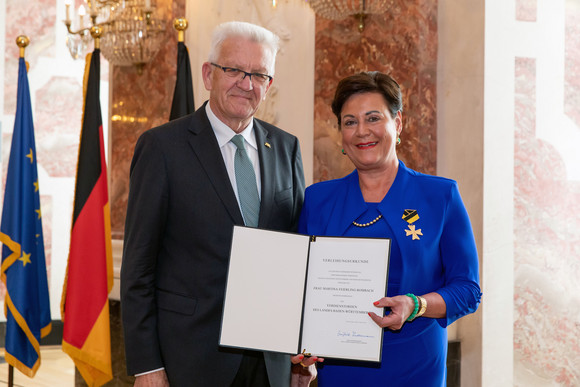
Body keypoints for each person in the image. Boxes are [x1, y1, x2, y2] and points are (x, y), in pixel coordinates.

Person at [121, 21, 317, 387]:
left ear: (269, 85)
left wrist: (301, 355)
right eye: (234, 70)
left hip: (270, 361)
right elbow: (138, 268)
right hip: (190, 359)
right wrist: (147, 366)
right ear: (208, 74)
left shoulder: (286, 148)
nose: (247, 83)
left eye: (259, 74)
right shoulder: (162, 148)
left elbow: (296, 257)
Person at [298, 71, 482, 386]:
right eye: (350, 121)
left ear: (397, 124)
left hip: (416, 367)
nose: (362, 131)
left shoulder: (440, 196)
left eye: (373, 118)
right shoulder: (317, 199)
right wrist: (299, 355)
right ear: (341, 134)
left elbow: (467, 290)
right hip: (342, 371)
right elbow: (299, 289)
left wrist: (416, 304)